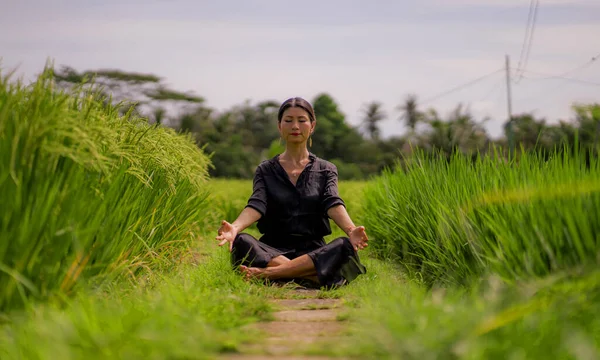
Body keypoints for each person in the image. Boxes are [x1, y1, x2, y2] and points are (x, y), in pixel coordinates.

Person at [215, 97, 368, 288]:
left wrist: (351, 230)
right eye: (288, 120)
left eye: (302, 120)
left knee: (345, 246)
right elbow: (257, 204)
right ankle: (313, 276)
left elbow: (333, 202)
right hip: (273, 250)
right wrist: (235, 228)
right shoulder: (265, 170)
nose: (295, 126)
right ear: (280, 126)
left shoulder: (326, 169)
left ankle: (271, 274)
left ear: (312, 125)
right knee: (242, 241)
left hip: (313, 252)